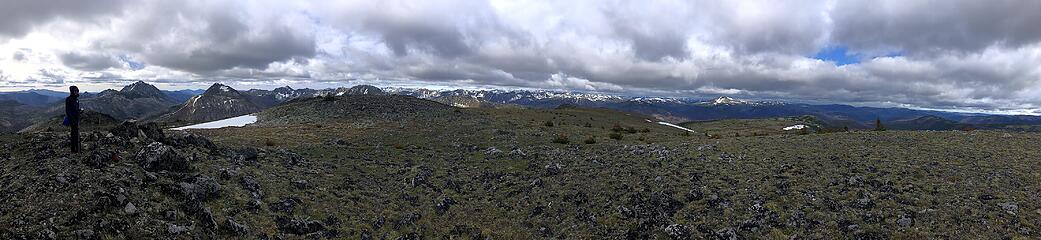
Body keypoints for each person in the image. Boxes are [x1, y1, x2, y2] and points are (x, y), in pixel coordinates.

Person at [66, 86, 81, 153]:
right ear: (71, 91)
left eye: (76, 91)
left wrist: (80, 110)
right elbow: (68, 111)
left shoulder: (76, 99)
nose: (76, 92)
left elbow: (76, 109)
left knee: (77, 134)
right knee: (74, 135)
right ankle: (73, 150)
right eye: (74, 91)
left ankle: (77, 148)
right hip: (73, 120)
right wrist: (73, 120)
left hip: (77, 119)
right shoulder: (68, 99)